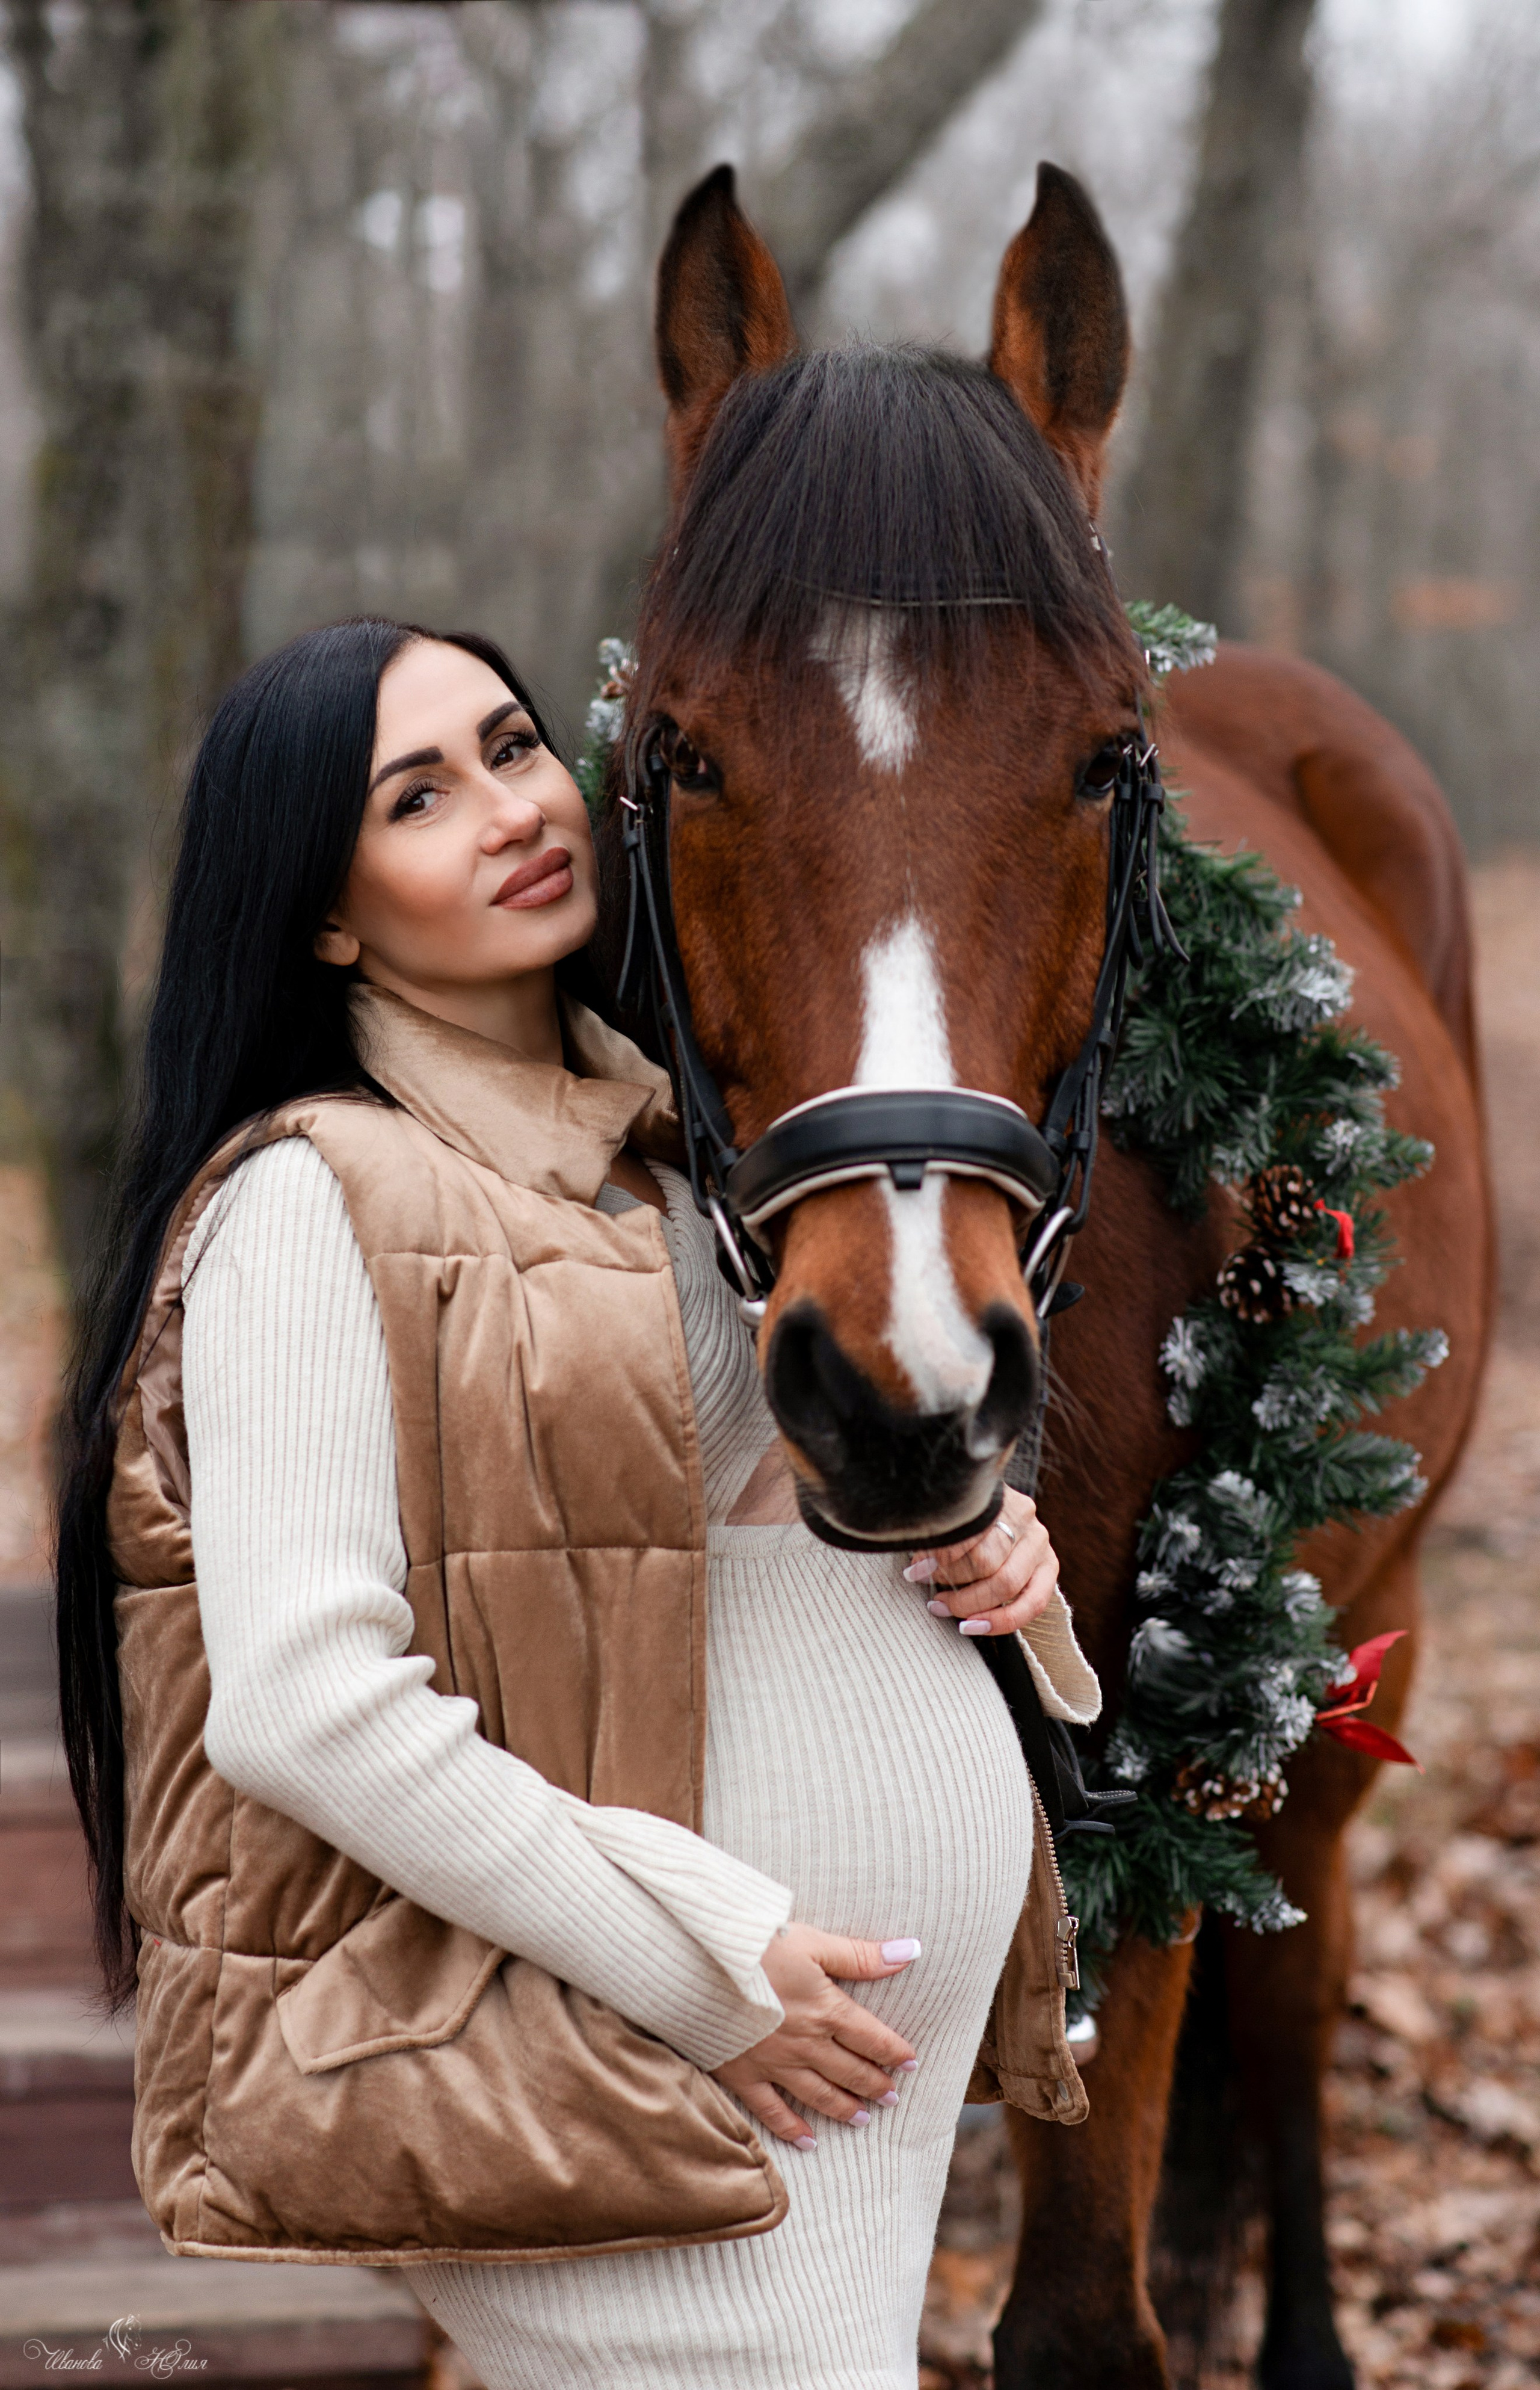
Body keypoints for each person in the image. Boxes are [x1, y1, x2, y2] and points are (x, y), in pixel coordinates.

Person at [56, 617, 1100, 2390]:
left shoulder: (674, 1171)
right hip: (626, 2064)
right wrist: (707, 1963)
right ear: (324, 908)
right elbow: (304, 1703)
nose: (513, 807)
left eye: (516, 745)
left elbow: (708, 1523)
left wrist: (991, 1550)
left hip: (815, 2090)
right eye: (420, 793)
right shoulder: (311, 1204)